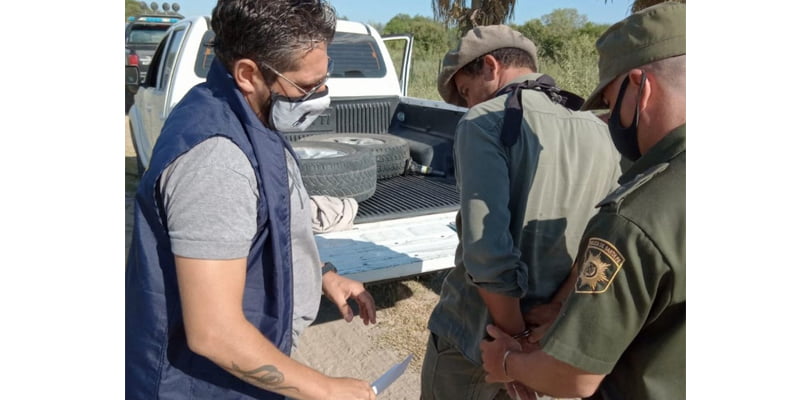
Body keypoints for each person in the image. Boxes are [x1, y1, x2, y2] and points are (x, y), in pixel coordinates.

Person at [125, 1, 377, 399]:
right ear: (248, 74)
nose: (320, 97)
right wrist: (325, 389)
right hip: (201, 386)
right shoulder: (218, 161)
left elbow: (266, 226)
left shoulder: (247, 115)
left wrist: (322, 275)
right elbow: (215, 332)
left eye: (323, 81)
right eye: (306, 87)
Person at [480, 3, 686, 399]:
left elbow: (573, 377)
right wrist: (564, 308)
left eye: (610, 102)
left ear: (640, 89)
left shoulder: (636, 217)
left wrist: (506, 360)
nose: (610, 120)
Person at [421, 24, 622, 400]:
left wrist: (513, 344)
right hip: (549, 340)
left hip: (477, 337)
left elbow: (487, 251)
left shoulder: (484, 121)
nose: (468, 104)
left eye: (466, 92)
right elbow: (604, 236)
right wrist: (552, 318)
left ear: (492, 67)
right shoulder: (597, 130)